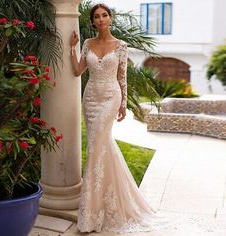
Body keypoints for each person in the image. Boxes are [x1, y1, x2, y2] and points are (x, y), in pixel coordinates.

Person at [69, 3, 169, 234]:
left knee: (95, 147)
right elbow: (77, 71)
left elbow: (122, 76)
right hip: (91, 98)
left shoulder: (121, 46)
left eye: (105, 15)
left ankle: (92, 212)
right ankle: (99, 205)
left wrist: (123, 104)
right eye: (97, 16)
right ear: (93, 21)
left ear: (110, 18)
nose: (101, 19)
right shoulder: (87, 44)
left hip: (110, 97)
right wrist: (71, 48)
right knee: (100, 147)